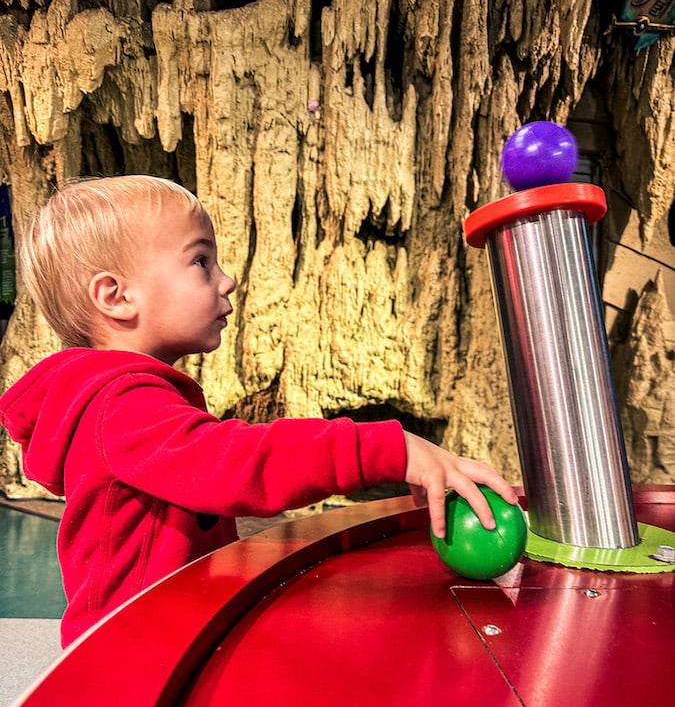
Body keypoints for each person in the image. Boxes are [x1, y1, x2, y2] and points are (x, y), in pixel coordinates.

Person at [0, 176, 518, 647]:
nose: (226, 281)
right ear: (116, 296)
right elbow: (236, 465)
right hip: (130, 659)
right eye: (201, 261)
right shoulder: (121, 404)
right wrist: (389, 448)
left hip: (160, 637)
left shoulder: (123, 398)